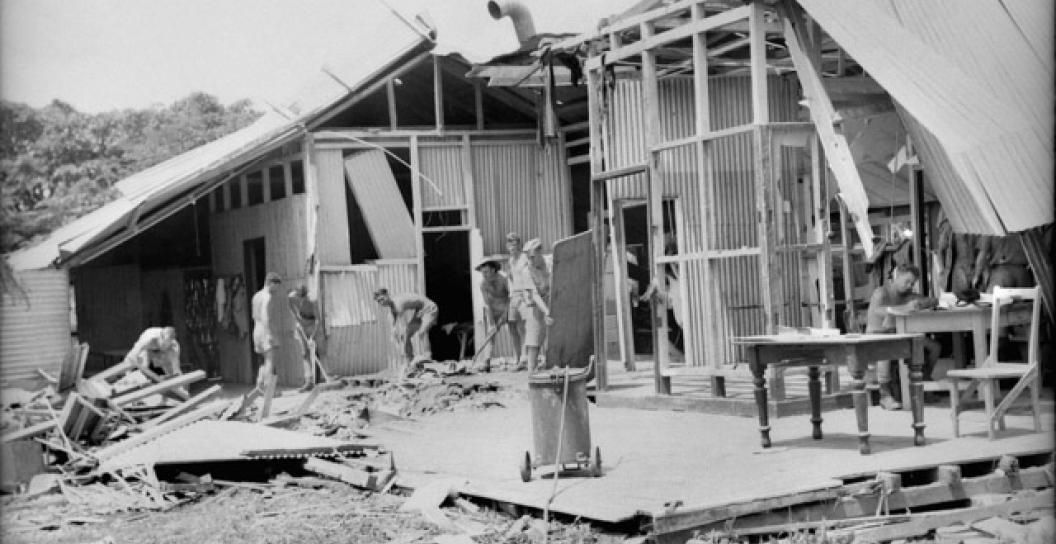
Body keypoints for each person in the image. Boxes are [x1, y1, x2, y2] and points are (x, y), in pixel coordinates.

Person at [865, 264, 941, 410]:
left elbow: (932, 300)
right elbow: (878, 311)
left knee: (934, 347)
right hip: (877, 337)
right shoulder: (881, 293)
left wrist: (919, 303)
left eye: (912, 283)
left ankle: (924, 382)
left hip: (901, 336)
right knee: (885, 351)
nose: (910, 286)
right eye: (907, 281)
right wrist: (903, 308)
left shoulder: (908, 295)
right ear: (897, 276)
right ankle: (885, 395)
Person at [506, 232, 548, 371]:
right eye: (509, 243)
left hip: (533, 297)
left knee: (532, 330)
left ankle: (534, 360)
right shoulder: (513, 262)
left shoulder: (529, 259)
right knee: (519, 328)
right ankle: (522, 360)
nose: (512, 246)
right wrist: (512, 294)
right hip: (521, 297)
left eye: (514, 243)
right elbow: (512, 278)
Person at [374, 288, 438, 373]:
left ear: (387, 295)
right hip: (419, 311)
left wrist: (399, 334)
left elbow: (403, 324)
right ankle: (410, 361)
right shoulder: (392, 307)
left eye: (382, 299)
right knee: (405, 336)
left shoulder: (398, 303)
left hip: (429, 307)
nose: (382, 302)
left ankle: (427, 356)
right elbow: (393, 323)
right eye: (379, 301)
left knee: (421, 332)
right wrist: (394, 333)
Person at [475, 258, 519, 366]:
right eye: (482, 272)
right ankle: (487, 360)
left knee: (513, 331)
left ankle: (519, 358)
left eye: (486, 272)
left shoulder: (503, 278)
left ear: (493, 270)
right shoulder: (483, 284)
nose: (484, 275)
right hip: (493, 310)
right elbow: (487, 304)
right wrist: (491, 323)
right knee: (491, 332)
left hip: (507, 306)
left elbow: (512, 295)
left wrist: (505, 313)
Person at [288, 284, 324, 392]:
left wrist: (312, 336)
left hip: (313, 324)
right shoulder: (292, 297)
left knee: (315, 351)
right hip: (301, 325)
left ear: (305, 295)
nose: (298, 298)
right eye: (297, 296)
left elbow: (318, 320)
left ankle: (317, 381)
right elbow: (289, 302)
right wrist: (297, 319)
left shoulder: (312, 300)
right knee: (304, 353)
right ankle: (308, 381)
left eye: (301, 296)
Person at [252, 272, 283, 391]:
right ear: (270, 283)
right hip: (265, 329)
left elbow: (254, 315)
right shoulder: (267, 297)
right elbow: (265, 316)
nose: (277, 289)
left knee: (263, 361)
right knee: (270, 360)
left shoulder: (256, 296)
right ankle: (268, 389)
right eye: (276, 286)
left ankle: (259, 386)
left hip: (256, 329)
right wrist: (269, 333)